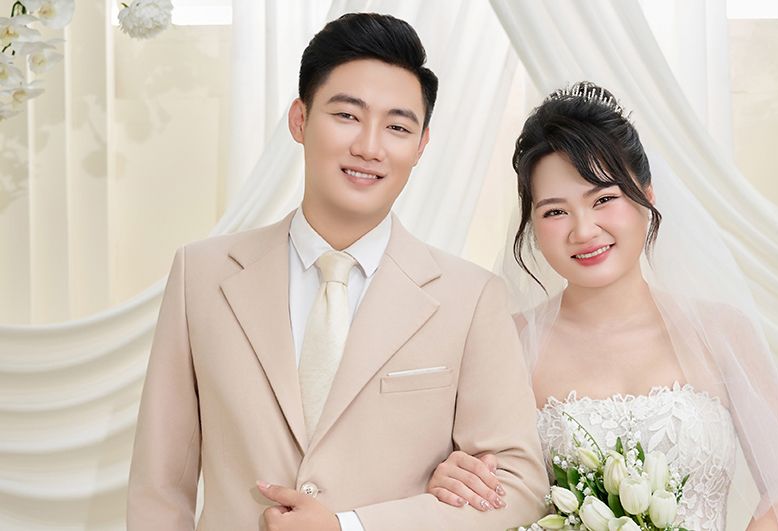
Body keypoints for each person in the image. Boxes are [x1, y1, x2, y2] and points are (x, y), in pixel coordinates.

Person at [126, 12, 548, 531]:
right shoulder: (201, 274)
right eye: (347, 115)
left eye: (397, 127)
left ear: (421, 146)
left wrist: (350, 526)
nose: (369, 146)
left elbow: (519, 488)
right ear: (299, 120)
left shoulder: (472, 297)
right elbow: (159, 487)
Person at [426, 82, 778, 530]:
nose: (584, 231)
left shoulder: (722, 331)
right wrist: (451, 477)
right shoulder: (506, 343)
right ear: (532, 224)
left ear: (647, 194)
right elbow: (485, 487)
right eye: (555, 211)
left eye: (604, 199)